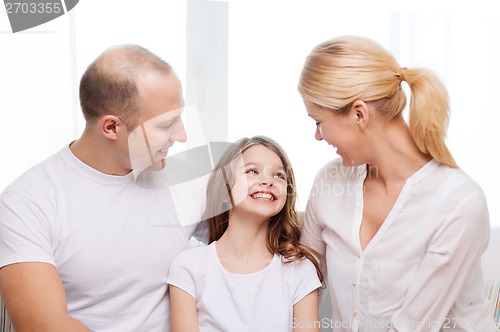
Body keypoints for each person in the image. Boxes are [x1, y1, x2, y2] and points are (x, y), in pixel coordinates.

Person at [298, 35, 497, 331]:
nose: (317, 136)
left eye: (318, 122)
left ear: (359, 114)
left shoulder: (459, 204)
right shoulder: (329, 181)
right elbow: (303, 282)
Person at [0, 45, 204, 331]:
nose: (182, 135)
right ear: (111, 127)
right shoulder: (27, 202)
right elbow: (44, 326)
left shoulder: (184, 177)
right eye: (166, 124)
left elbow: (267, 233)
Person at [167, 136, 323, 332]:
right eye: (252, 171)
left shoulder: (300, 269)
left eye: (279, 175)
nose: (267, 181)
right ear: (224, 191)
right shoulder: (188, 267)